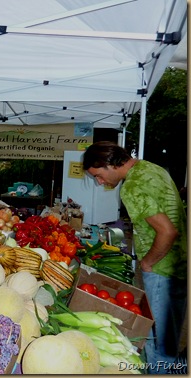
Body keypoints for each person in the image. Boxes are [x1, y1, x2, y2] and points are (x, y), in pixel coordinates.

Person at [82, 141, 187, 374]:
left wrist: (147, 263)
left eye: (98, 176)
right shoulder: (152, 169)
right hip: (179, 265)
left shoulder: (131, 187)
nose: (100, 182)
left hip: (162, 270)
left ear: (109, 163)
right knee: (167, 337)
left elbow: (168, 231)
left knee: (160, 344)